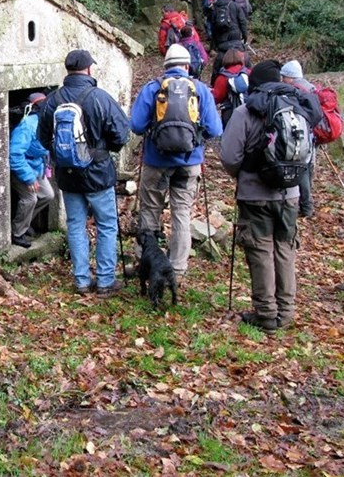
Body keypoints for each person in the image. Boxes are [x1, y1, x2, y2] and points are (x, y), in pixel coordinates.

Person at [219, 60, 322, 332]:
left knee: (260, 249)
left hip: (255, 195)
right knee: (285, 249)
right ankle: (285, 312)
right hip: (290, 192)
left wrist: (243, 175)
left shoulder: (246, 111)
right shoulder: (297, 107)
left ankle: (266, 313)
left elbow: (229, 156)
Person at [37, 49, 131, 296]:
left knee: (75, 225)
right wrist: (103, 150)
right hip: (98, 173)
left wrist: (64, 154)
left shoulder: (52, 100)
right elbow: (121, 134)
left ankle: (81, 281)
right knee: (106, 225)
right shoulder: (100, 98)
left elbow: (43, 138)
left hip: (67, 175)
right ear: (89, 69)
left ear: (68, 70)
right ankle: (105, 281)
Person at [130, 44, 223, 280]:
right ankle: (177, 270)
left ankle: (146, 264)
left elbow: (137, 125)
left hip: (156, 162)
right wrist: (196, 137)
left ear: (166, 66)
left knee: (150, 210)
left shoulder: (153, 88)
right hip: (189, 163)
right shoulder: (200, 90)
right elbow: (215, 129)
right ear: (187, 66)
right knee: (181, 213)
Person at [9, 93, 55, 248]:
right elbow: (15, 154)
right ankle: (17, 233)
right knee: (30, 199)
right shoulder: (27, 125)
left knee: (48, 195)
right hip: (21, 168)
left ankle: (24, 222)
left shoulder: (47, 123)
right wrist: (28, 178)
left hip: (37, 167)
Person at [280, 60, 318, 218]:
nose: (282, 80)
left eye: (284, 77)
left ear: (291, 77)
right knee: (307, 169)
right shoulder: (311, 88)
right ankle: (307, 205)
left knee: (300, 169)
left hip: (300, 135)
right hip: (312, 135)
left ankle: (305, 206)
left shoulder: (294, 91)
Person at [211, 48, 249, 128]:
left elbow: (217, 97)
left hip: (229, 113)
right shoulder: (248, 73)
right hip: (248, 110)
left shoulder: (222, 77)